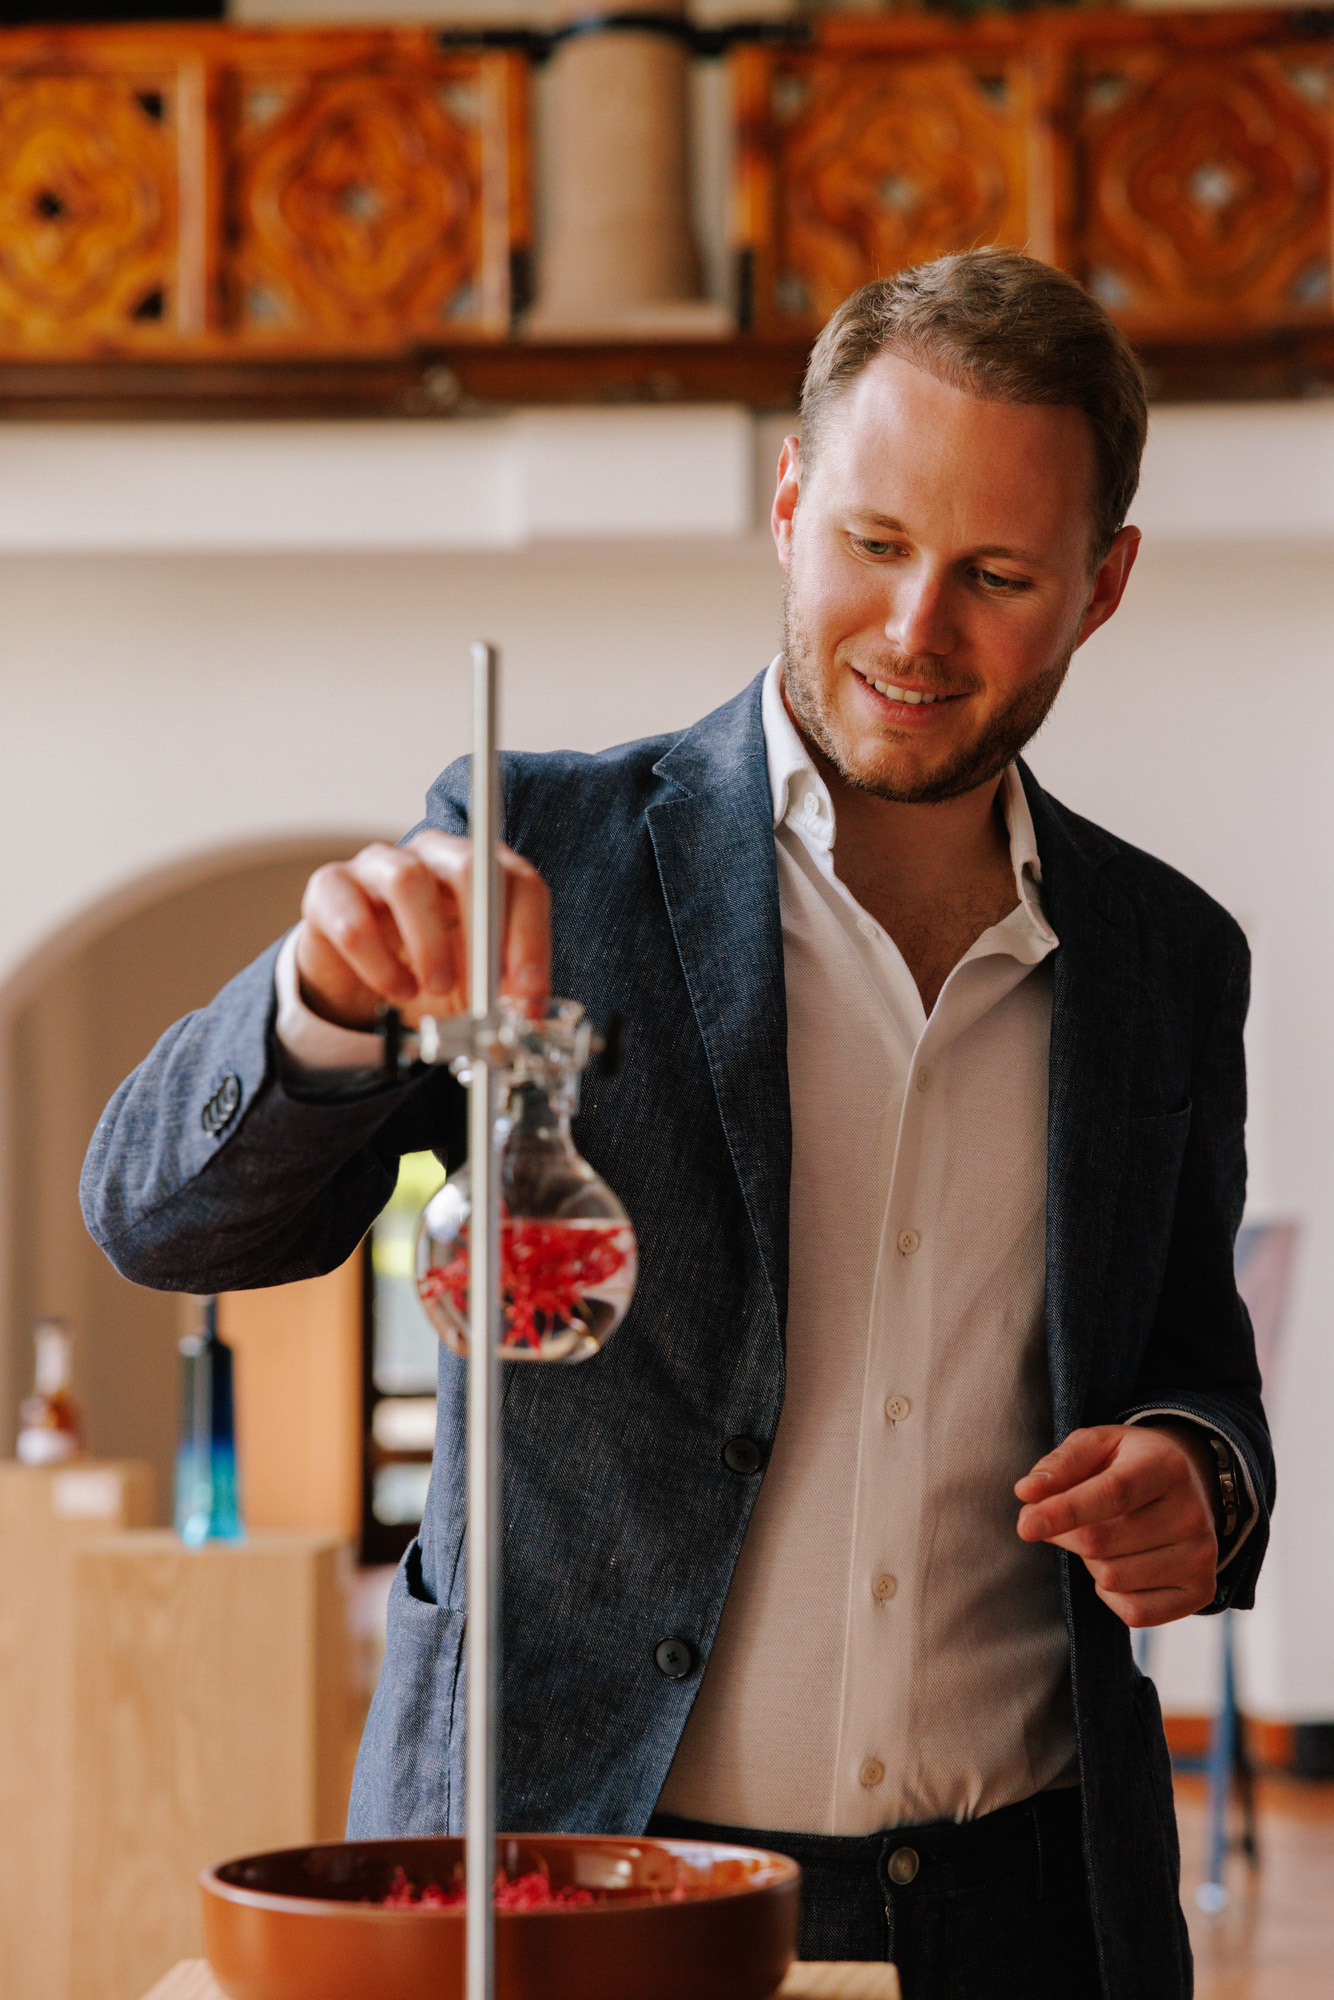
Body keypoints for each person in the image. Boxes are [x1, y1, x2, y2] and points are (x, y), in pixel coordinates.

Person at [81, 249, 1272, 2000]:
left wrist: (1198, 1475)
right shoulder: (537, 847)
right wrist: (314, 1011)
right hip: (577, 1889)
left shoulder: (1169, 954)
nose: (917, 630)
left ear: (1101, 588)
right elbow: (165, 1224)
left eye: (999, 574)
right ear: (788, 504)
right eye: (871, 544)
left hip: (1025, 1914)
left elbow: (1188, 1354)